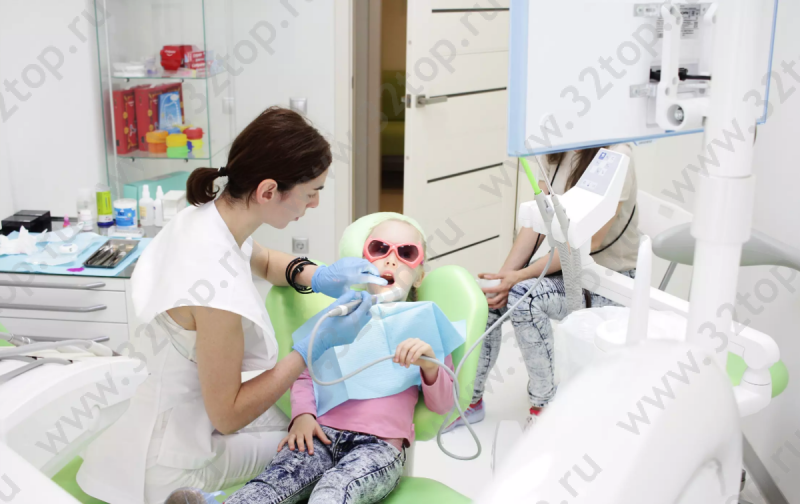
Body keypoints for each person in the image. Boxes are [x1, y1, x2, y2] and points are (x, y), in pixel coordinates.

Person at [77, 107, 388, 504]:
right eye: (312, 192)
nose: (313, 204)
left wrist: (318, 275)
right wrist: (309, 348)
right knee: (321, 447)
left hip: (158, 416)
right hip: (173, 460)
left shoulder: (206, 219)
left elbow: (264, 260)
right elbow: (229, 414)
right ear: (268, 191)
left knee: (301, 417)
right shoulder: (216, 292)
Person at [220, 217, 456, 504]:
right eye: (379, 248)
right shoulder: (341, 315)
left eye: (406, 253)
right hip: (320, 436)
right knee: (273, 482)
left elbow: (443, 405)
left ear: (419, 276)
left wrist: (430, 366)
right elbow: (305, 372)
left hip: (379, 447)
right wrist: (303, 416)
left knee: (333, 491)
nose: (391, 260)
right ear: (364, 262)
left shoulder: (426, 324)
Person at [445, 144, 640, 432]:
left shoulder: (617, 155)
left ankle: (544, 406)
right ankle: (469, 402)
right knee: (491, 296)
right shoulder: (558, 149)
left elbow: (589, 241)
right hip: (569, 269)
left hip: (610, 282)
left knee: (524, 298)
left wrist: (519, 277)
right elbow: (536, 223)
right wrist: (503, 278)